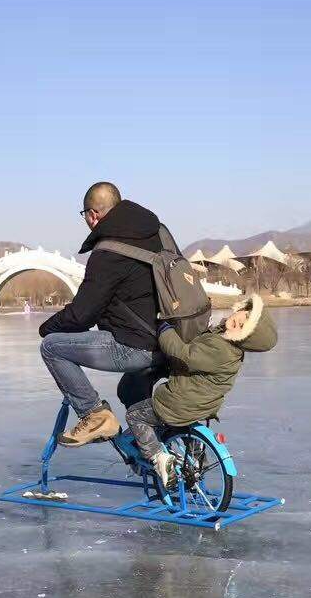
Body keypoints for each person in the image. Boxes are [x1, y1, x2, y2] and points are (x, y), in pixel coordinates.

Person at [39, 182, 168, 446]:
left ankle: (94, 415)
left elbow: (82, 315)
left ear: (93, 214)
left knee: (52, 347)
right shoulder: (157, 235)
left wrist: (47, 327)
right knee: (129, 390)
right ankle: (157, 455)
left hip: (135, 345)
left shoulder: (108, 251)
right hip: (168, 341)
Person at [125, 294, 277, 487]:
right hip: (201, 406)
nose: (238, 320)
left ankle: (158, 459)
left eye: (242, 327)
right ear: (242, 308)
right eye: (244, 315)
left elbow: (183, 354)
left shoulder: (220, 347)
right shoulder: (230, 347)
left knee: (135, 416)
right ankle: (196, 463)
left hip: (179, 404)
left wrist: (165, 328)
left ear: (244, 339)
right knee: (177, 421)